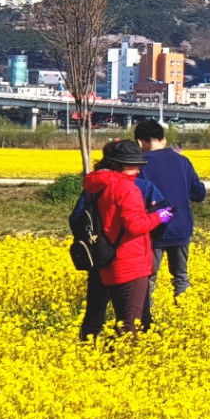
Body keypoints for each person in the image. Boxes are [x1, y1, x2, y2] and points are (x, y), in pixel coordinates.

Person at [78, 139, 172, 338]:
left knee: (110, 317)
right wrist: (159, 216)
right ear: (116, 165)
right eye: (132, 165)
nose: (137, 170)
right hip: (130, 260)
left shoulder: (98, 186)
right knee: (130, 325)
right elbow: (135, 225)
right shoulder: (126, 189)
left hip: (107, 257)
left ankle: (97, 352)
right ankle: (124, 361)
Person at [136, 119, 206, 323]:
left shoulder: (140, 164)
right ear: (163, 140)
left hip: (154, 228)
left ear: (140, 142)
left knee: (148, 279)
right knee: (181, 277)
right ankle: (185, 318)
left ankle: (144, 321)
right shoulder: (182, 161)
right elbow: (198, 194)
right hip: (181, 227)